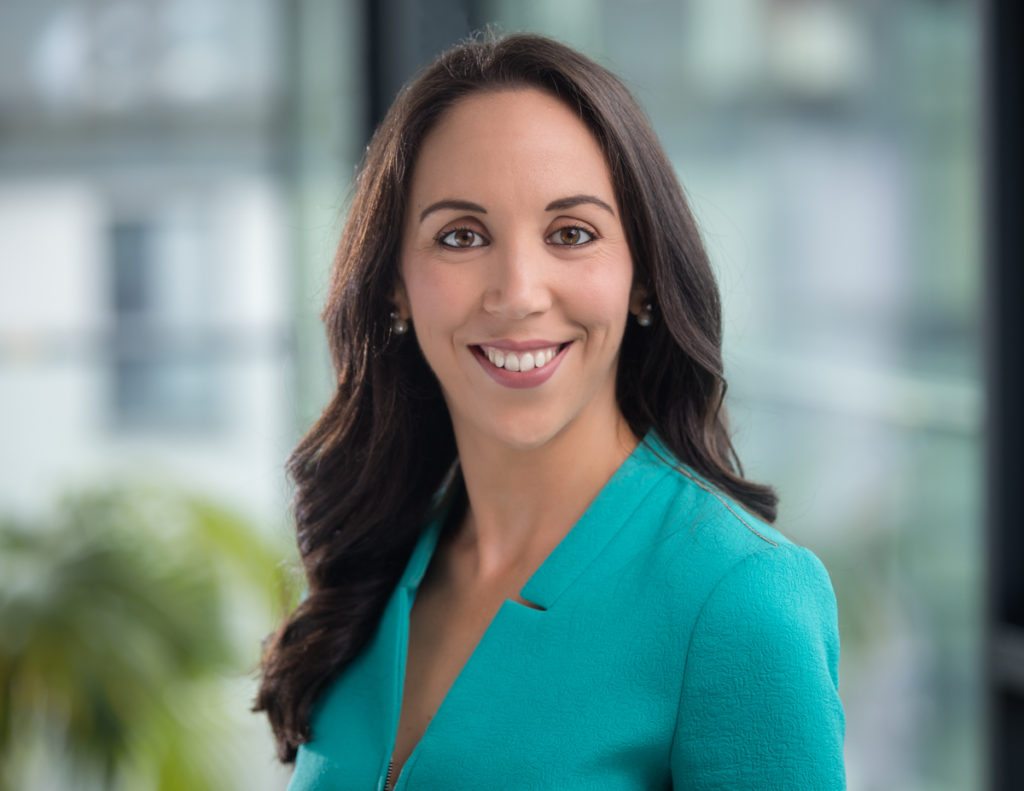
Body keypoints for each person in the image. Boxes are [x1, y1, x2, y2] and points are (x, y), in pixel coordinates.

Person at [253, 29, 847, 791]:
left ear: (642, 277)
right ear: (395, 283)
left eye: (572, 233)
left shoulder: (738, 601)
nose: (520, 291)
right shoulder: (372, 561)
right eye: (461, 236)